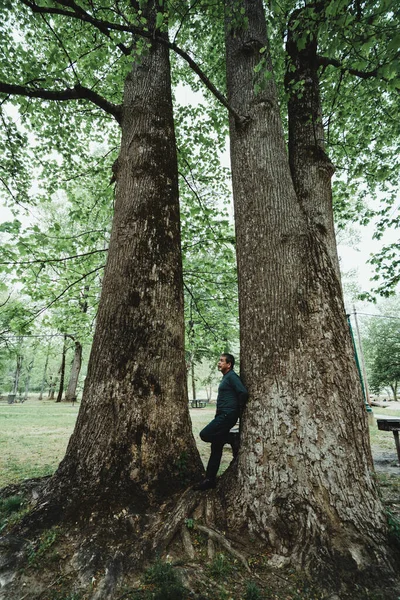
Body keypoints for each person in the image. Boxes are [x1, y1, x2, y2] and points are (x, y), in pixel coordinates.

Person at [194, 353, 248, 491]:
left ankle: (230, 437)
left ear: (229, 364)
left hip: (226, 415)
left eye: (222, 361)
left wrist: (236, 411)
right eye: (219, 360)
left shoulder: (232, 377)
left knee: (204, 434)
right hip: (222, 415)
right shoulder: (226, 377)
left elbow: (243, 392)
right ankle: (209, 480)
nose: (219, 363)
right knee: (216, 447)